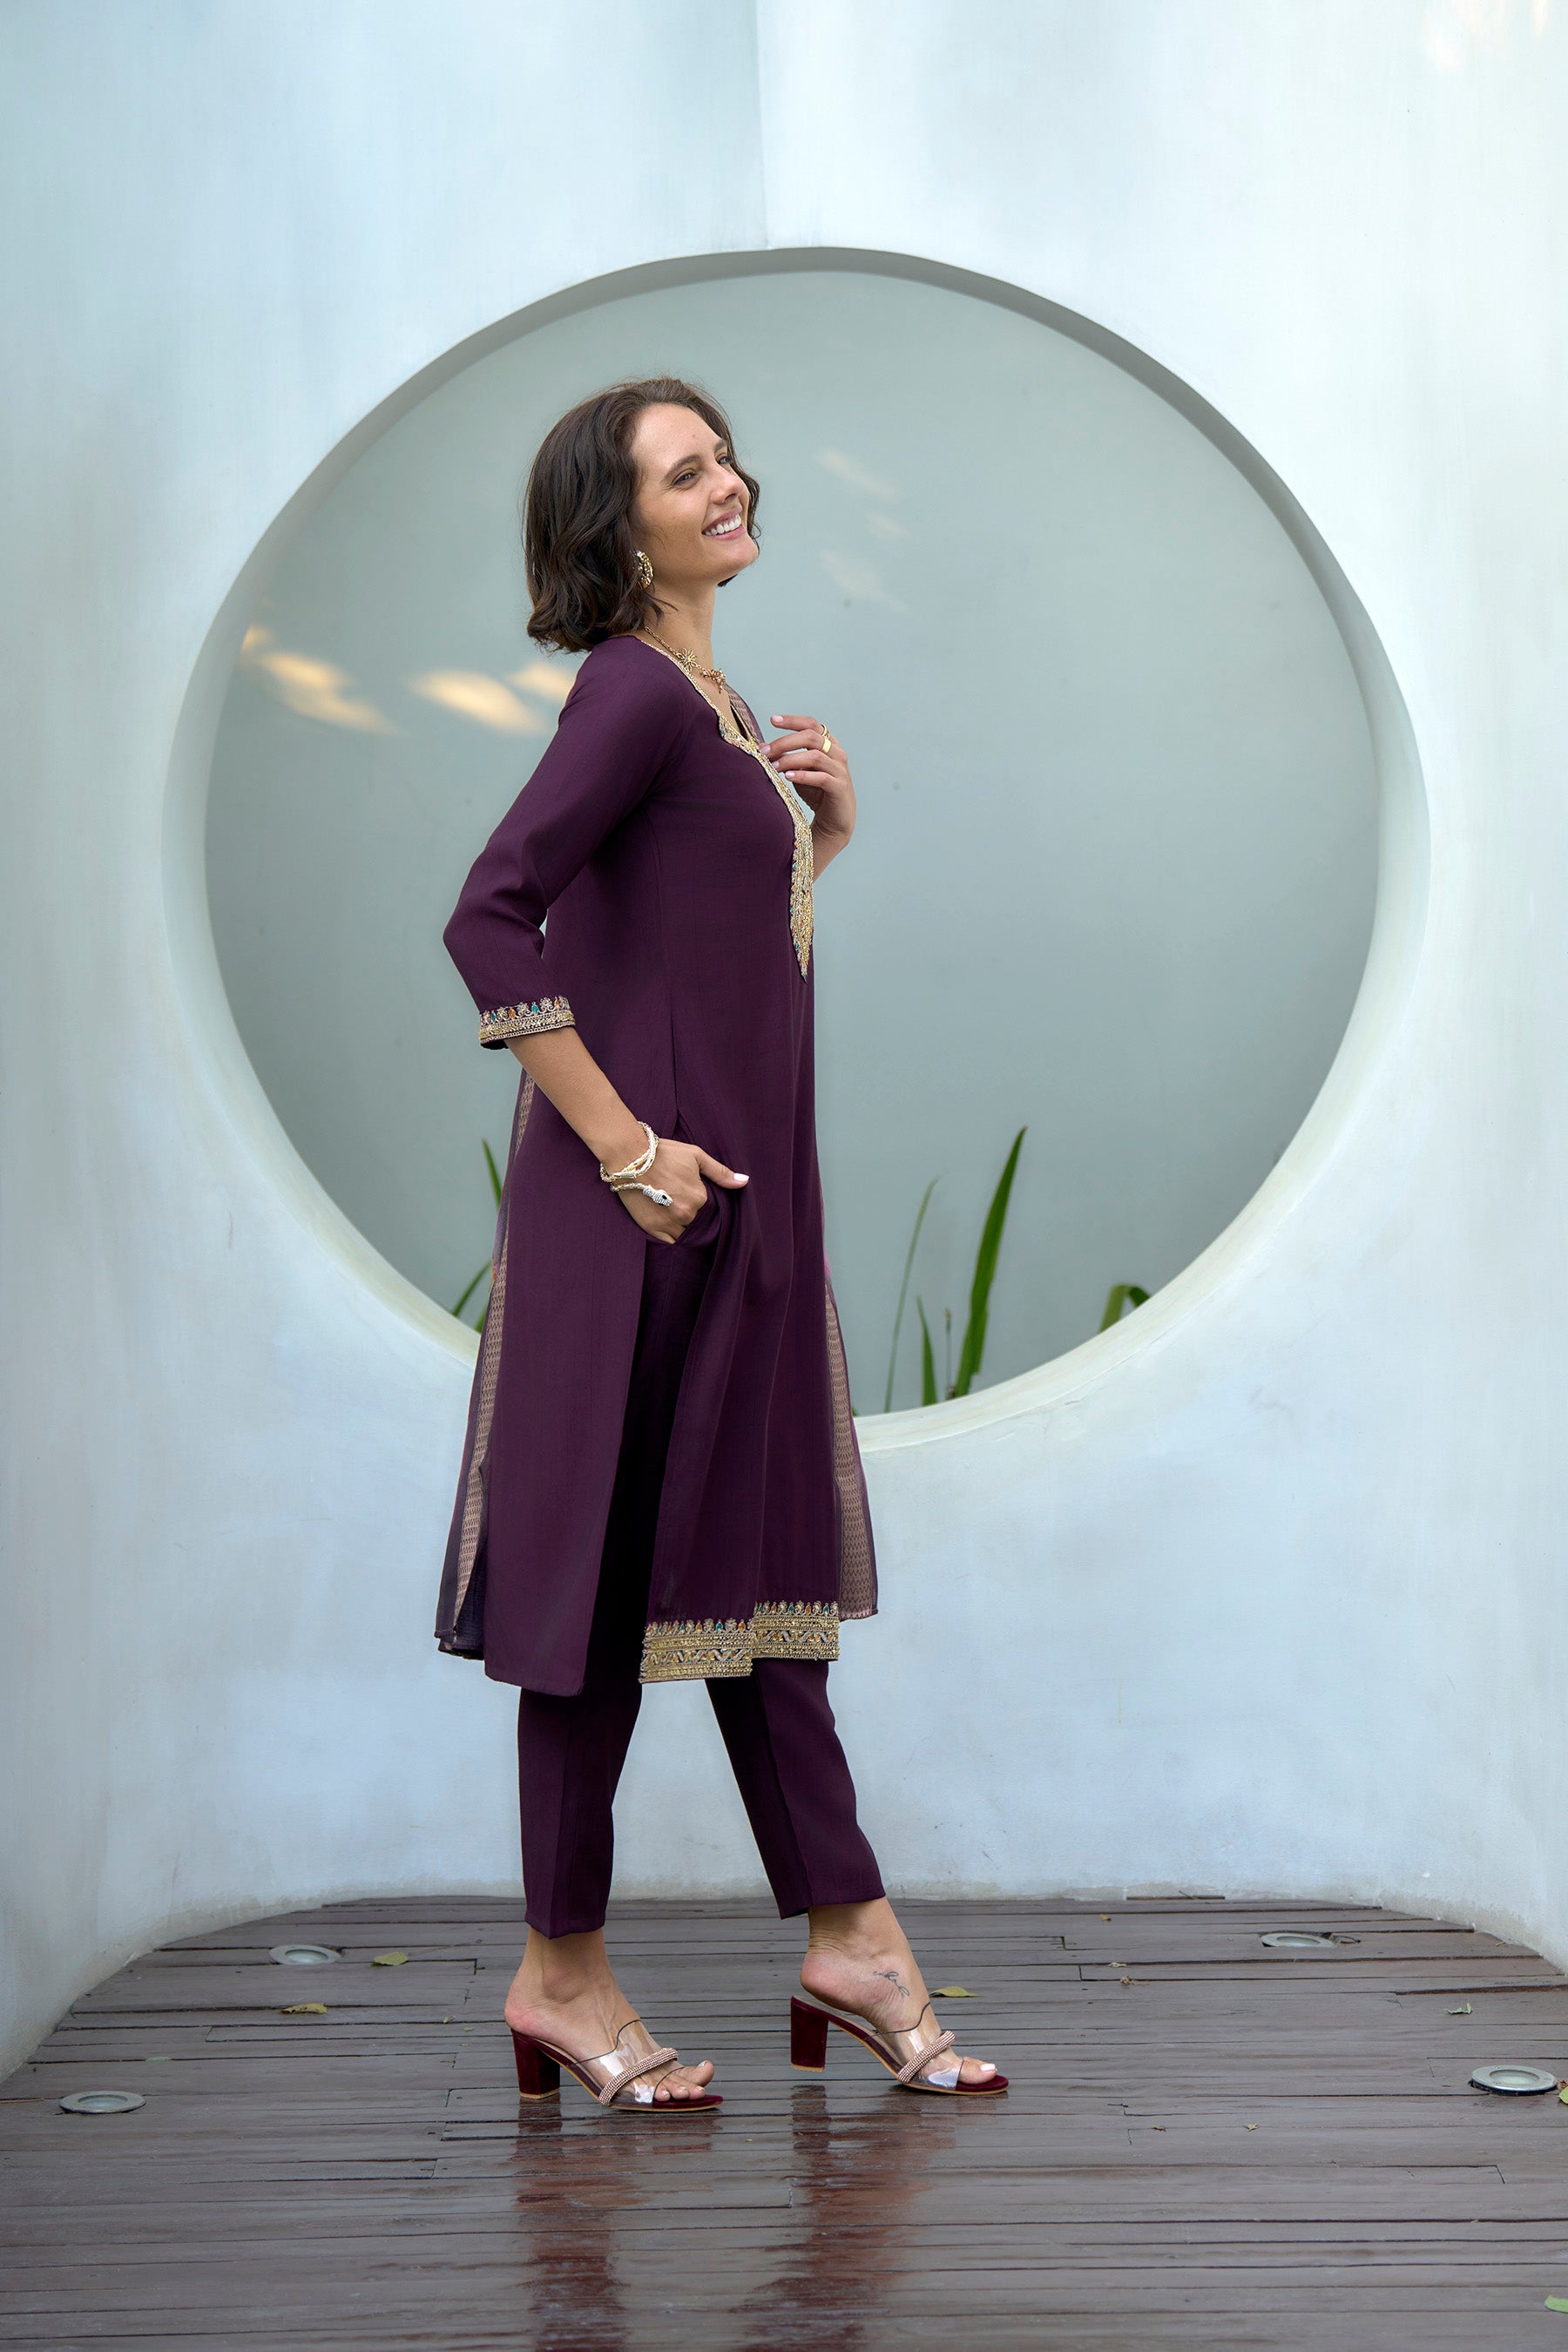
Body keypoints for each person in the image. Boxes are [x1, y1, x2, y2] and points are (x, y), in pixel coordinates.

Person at [437, 375, 1004, 2112]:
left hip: (737, 1211)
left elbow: (708, 955)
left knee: (761, 1592)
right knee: (597, 1603)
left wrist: (818, 839)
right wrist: (623, 1152)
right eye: (687, 473)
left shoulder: (715, 706)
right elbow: (488, 916)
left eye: (725, 456)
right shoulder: (628, 692)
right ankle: (562, 1977)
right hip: (644, 1220)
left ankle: (852, 1938)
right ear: (621, 530)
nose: (729, 482)